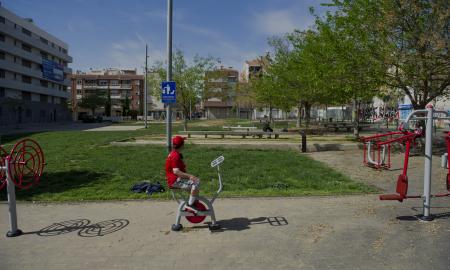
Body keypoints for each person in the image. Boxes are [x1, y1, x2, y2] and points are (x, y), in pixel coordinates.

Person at [165, 136, 201, 211]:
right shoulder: (175, 155)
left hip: (175, 179)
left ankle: (193, 202)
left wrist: (188, 176)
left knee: (194, 184)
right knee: (196, 182)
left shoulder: (174, 153)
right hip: (175, 180)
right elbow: (176, 171)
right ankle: (190, 204)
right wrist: (190, 176)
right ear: (182, 145)